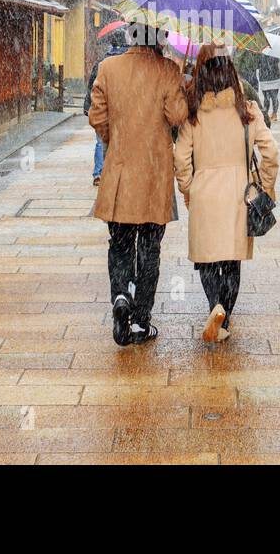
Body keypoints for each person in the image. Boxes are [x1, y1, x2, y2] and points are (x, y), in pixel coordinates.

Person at [88, 24, 189, 346]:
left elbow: (97, 118)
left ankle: (120, 294)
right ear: (159, 38)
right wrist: (178, 83)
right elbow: (176, 116)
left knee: (118, 243)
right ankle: (141, 320)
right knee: (149, 249)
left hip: (119, 173)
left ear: (131, 35)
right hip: (154, 175)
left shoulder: (108, 68)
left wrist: (114, 142)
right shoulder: (167, 70)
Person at [174, 43, 279, 343]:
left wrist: (188, 189)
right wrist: (266, 187)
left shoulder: (194, 116)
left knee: (207, 260)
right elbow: (271, 152)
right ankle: (225, 315)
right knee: (231, 261)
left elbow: (181, 158)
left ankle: (214, 306)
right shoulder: (247, 111)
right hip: (239, 196)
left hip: (204, 194)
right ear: (232, 73)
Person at [84, 29, 128, 186]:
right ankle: (117, 172)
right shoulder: (129, 62)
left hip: (103, 106)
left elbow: (92, 86)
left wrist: (88, 106)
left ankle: (99, 172)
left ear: (111, 42)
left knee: (100, 141)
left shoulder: (102, 62)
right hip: (122, 108)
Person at [256, 53, 280, 124]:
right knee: (274, 97)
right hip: (274, 76)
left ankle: (266, 114)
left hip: (265, 77)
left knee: (266, 98)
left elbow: (257, 65)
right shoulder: (276, 51)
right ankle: (274, 114)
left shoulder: (261, 52)